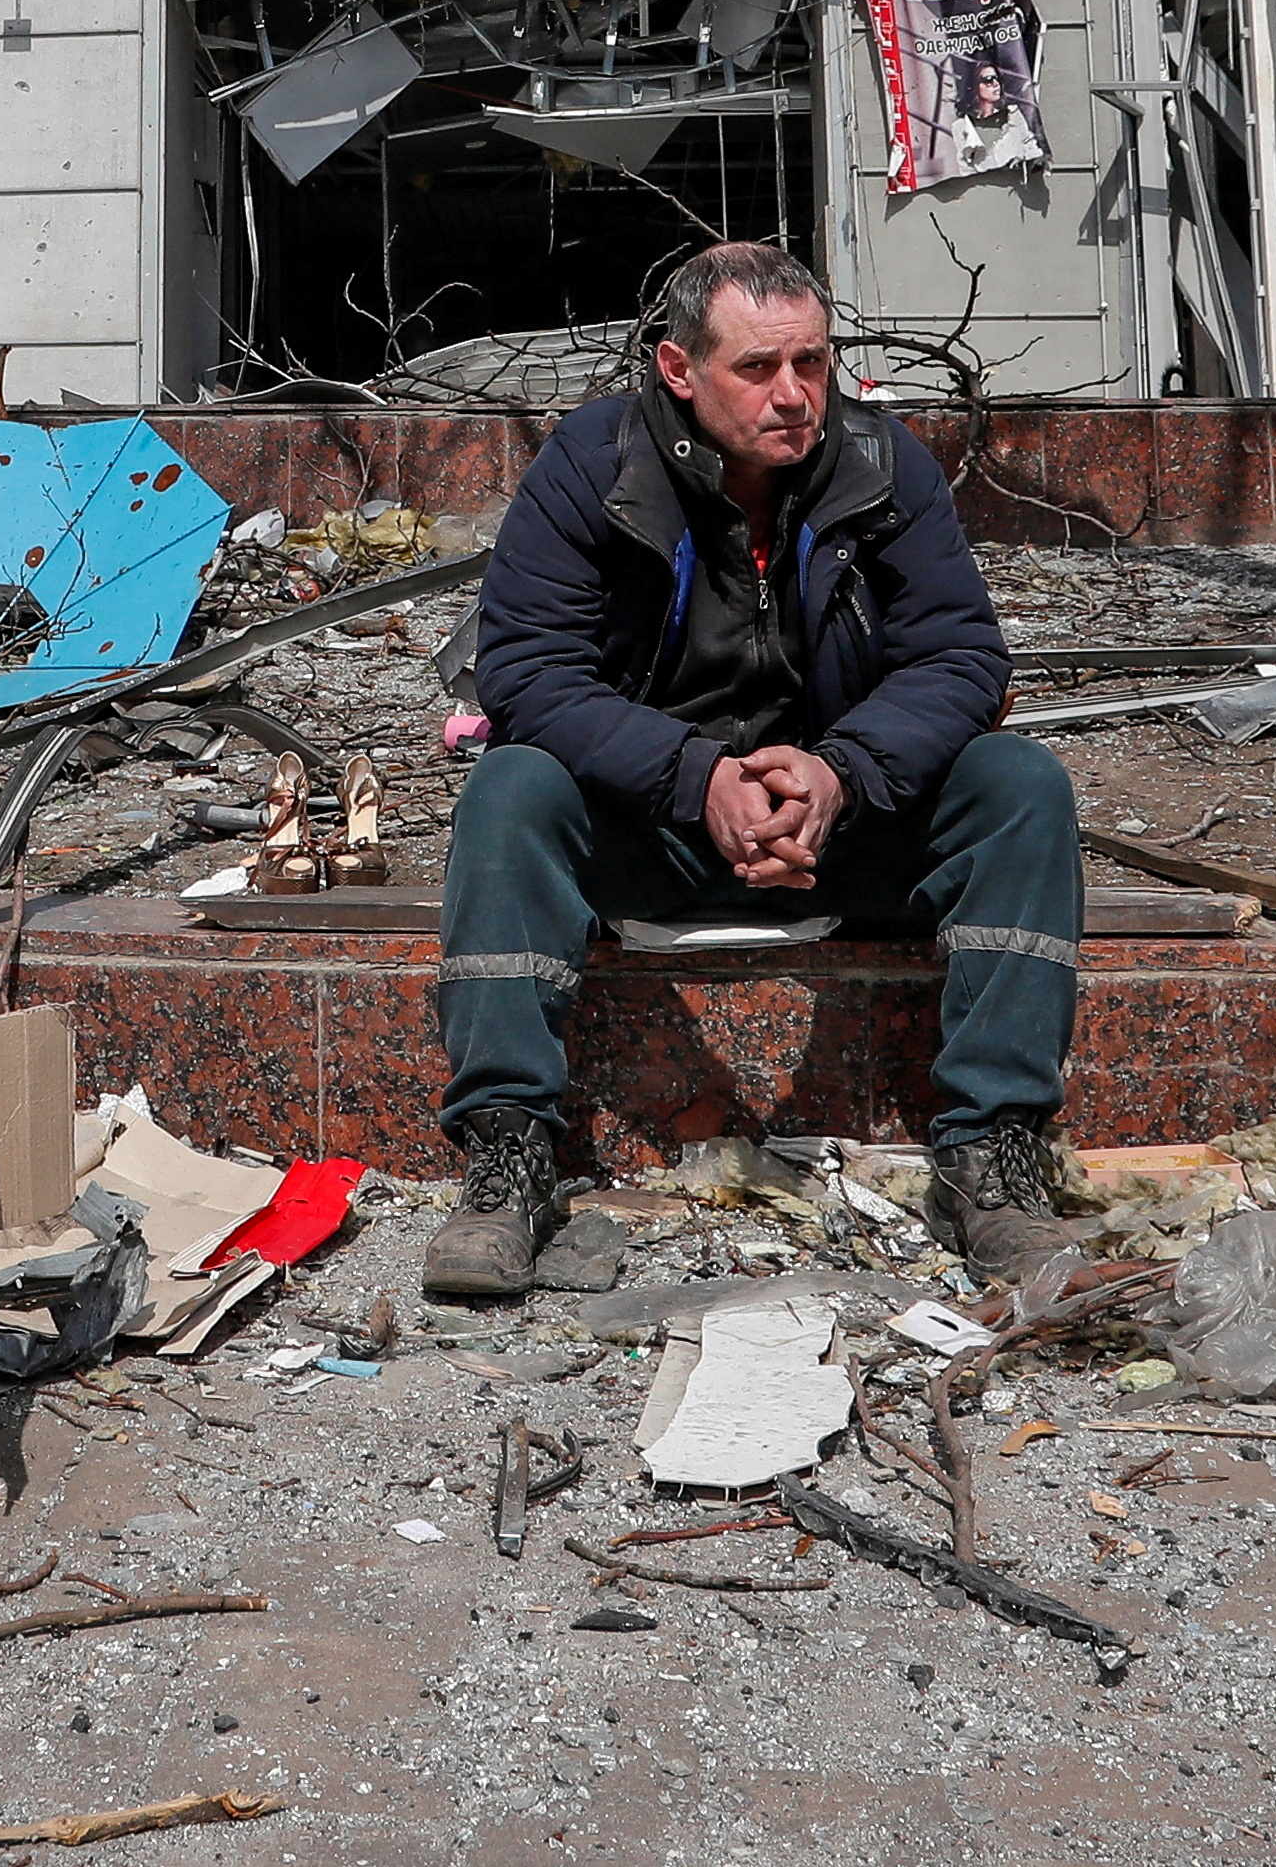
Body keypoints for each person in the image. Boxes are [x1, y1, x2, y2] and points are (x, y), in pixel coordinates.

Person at [422, 240, 1089, 1298]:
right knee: (511, 790)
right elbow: (526, 673)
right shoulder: (592, 465)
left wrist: (837, 775)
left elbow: (963, 657)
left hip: (841, 825)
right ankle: (509, 1156)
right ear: (678, 369)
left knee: (1018, 784)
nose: (795, 396)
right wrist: (698, 778)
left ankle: (992, 1159)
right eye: (759, 369)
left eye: (813, 364)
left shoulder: (882, 461)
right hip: (655, 826)